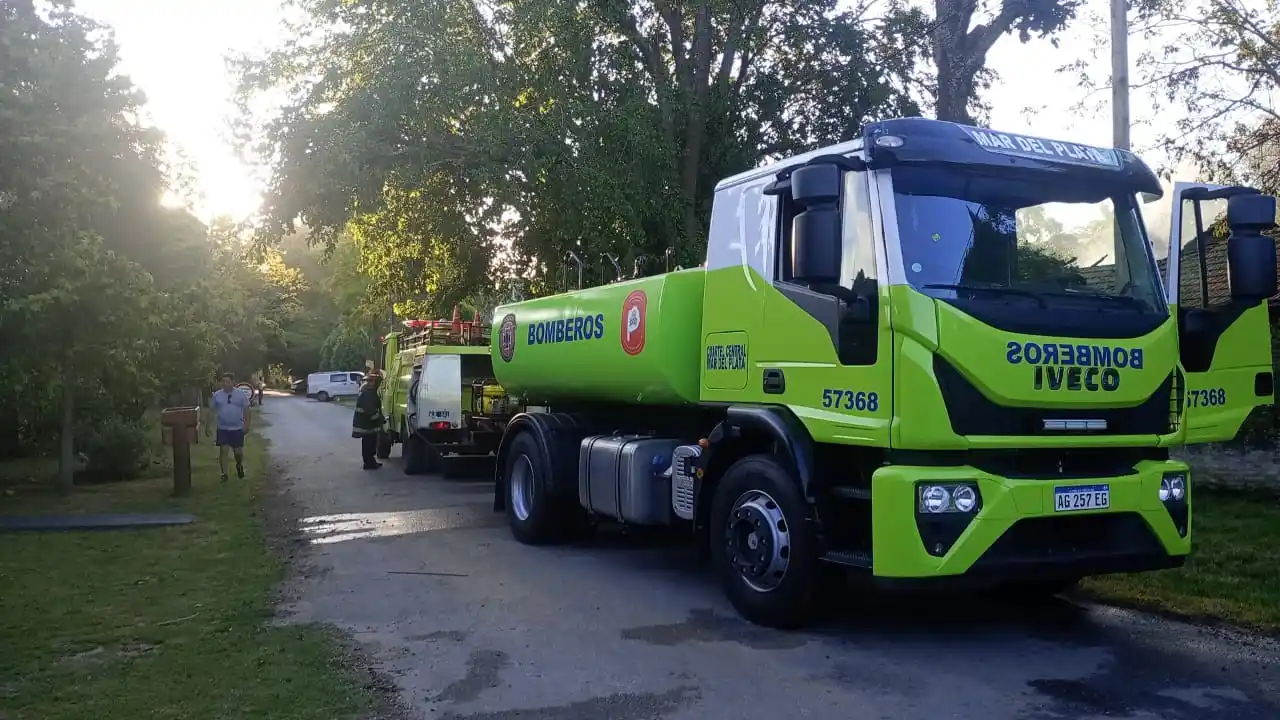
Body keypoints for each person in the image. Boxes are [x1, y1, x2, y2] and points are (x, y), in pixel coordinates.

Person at [207, 372, 251, 482]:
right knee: (223, 451)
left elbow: (247, 410)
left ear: (233, 382)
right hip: (223, 428)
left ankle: (239, 464)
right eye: (224, 381)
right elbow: (211, 411)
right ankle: (224, 474)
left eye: (228, 381)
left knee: (238, 452)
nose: (225, 384)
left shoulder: (241, 395)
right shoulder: (217, 395)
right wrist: (208, 426)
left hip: (237, 428)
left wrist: (247, 424)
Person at [352, 372, 387, 470]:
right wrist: (379, 419)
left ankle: (370, 462)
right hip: (367, 425)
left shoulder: (366, 391)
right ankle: (369, 463)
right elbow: (370, 410)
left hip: (366, 424)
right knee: (369, 444)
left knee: (369, 443)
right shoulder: (368, 393)